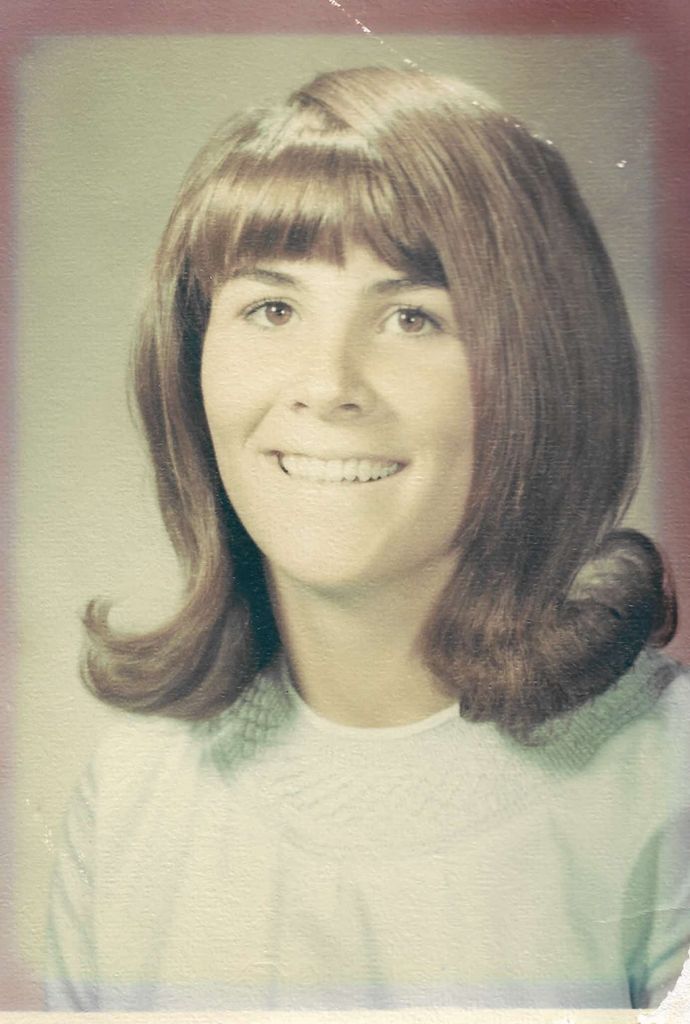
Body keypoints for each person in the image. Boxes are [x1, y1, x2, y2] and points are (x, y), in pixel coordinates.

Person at [45, 65, 689, 1011]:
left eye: (412, 317)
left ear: (541, 372)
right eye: (272, 308)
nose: (328, 384)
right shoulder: (132, 791)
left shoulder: (664, 782)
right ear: (189, 364)